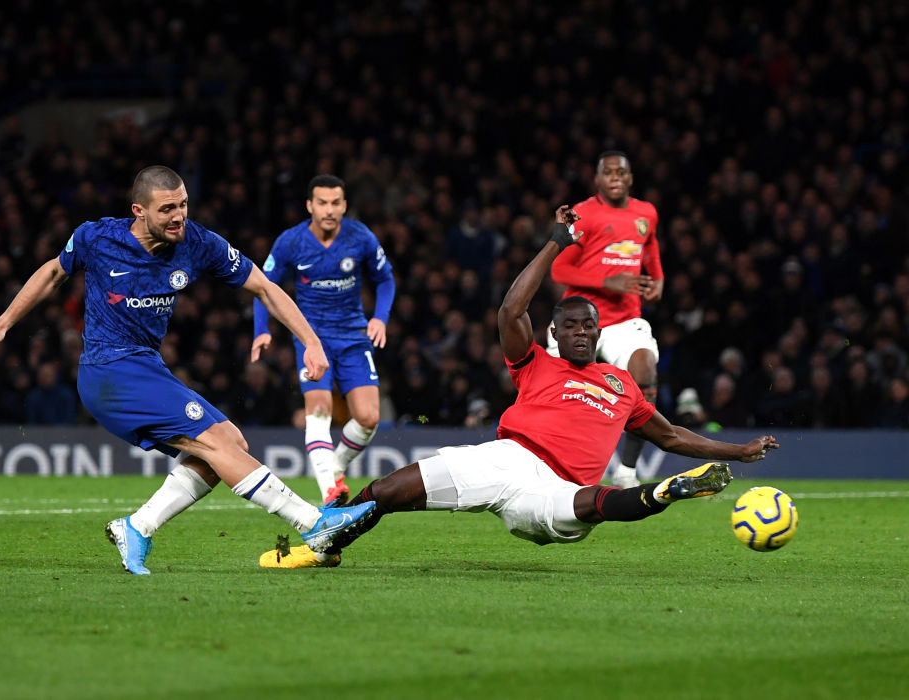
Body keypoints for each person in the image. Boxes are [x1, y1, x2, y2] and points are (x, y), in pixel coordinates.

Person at [261, 205, 778, 568]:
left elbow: (670, 436)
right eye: (572, 325)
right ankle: (323, 545)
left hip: (559, 487)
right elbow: (511, 309)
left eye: (589, 327)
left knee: (588, 504)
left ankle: (664, 492)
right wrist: (556, 242)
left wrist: (739, 450)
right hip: (505, 458)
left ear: (599, 334)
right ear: (555, 332)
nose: (582, 332)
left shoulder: (621, 384)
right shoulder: (535, 363)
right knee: (388, 489)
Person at [0, 165, 375, 575]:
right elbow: (53, 271)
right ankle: (314, 524)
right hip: (109, 369)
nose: (178, 216)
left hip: (145, 366)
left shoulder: (197, 242)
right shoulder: (97, 236)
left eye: (183, 205)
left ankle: (137, 527)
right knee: (217, 442)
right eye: (167, 209)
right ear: (138, 211)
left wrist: (312, 341)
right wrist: (2, 323)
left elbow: (265, 287)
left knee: (230, 442)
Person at [251, 174, 395, 504]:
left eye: (335, 203)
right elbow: (263, 287)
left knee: (369, 418)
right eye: (322, 203)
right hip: (311, 337)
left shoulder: (360, 237)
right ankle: (330, 489)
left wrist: (380, 318)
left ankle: (335, 465)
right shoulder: (291, 242)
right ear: (309, 206)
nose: (328, 210)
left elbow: (386, 281)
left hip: (353, 336)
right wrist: (261, 329)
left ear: (344, 206)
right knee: (319, 408)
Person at [548, 151, 664, 488]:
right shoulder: (583, 214)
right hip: (579, 319)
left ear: (630, 178)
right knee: (557, 398)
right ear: (597, 179)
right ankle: (552, 468)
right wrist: (607, 281)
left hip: (624, 319)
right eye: (608, 172)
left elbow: (651, 251)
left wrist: (657, 281)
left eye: (621, 172)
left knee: (644, 370)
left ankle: (626, 471)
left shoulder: (646, 213)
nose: (615, 177)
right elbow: (559, 269)